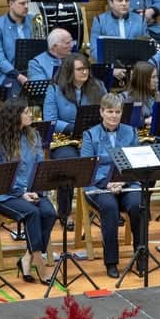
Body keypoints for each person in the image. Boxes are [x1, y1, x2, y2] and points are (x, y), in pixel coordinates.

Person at [0, 97, 55, 284]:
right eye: (26, 112)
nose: (30, 115)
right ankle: (40, 264)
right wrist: (20, 193)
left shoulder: (34, 135)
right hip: (6, 195)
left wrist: (36, 190)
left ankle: (27, 258)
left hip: (33, 190)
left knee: (49, 212)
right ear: (15, 116)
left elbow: (40, 167)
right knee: (33, 213)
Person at [81, 93, 143, 279]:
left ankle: (141, 256)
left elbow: (135, 162)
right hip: (98, 186)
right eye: (110, 111)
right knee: (109, 207)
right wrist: (108, 183)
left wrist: (121, 181)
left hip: (126, 182)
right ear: (101, 112)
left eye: (117, 112)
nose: (114, 116)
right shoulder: (90, 135)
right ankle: (111, 262)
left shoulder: (131, 132)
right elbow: (87, 167)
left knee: (138, 204)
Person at [43, 52, 107, 221]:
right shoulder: (54, 89)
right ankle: (64, 213)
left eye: (86, 68)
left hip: (92, 136)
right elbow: (50, 120)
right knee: (68, 165)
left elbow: (107, 111)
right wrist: (71, 128)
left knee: (104, 160)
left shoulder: (98, 86)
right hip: (64, 139)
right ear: (69, 71)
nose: (84, 72)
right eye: (80, 69)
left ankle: (103, 207)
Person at [0, 0, 34, 97]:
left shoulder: (33, 20)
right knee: (16, 100)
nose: (26, 6)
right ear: (10, 4)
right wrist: (19, 76)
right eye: (22, 3)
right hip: (8, 75)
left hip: (31, 71)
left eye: (27, 2)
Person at [89, 0, 147, 64]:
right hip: (110, 65)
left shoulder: (140, 20)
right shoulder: (99, 21)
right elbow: (94, 49)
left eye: (127, 0)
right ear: (111, 3)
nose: (124, 4)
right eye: (120, 0)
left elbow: (145, 47)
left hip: (134, 66)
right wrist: (112, 67)